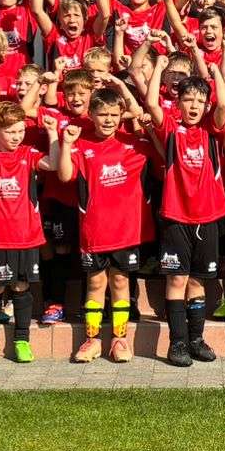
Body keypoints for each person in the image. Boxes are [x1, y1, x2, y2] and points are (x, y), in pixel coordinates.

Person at [0, 103, 64, 364]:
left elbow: (53, 163)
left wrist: (52, 132)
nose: (17, 136)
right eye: (10, 131)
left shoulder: (28, 153)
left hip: (26, 234)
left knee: (21, 286)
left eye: (20, 131)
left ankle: (22, 340)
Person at [146, 53, 225, 367]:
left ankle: (196, 340)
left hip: (208, 218)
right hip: (176, 217)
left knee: (197, 282)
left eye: (200, 101)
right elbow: (151, 102)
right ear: (178, 103)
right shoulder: (171, 129)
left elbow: (223, 104)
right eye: (188, 100)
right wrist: (158, 68)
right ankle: (177, 343)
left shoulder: (211, 129)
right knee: (177, 281)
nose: (194, 106)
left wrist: (216, 72)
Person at [67, 86, 158, 363]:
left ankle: (120, 339)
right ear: (91, 115)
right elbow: (65, 174)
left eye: (114, 115)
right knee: (95, 283)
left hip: (126, 231)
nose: (108, 120)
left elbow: (164, 155)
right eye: (102, 114)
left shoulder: (135, 144)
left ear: (121, 116)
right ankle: (92, 340)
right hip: (94, 230)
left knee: (120, 281)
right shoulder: (81, 145)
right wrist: (66, 143)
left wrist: (145, 125)